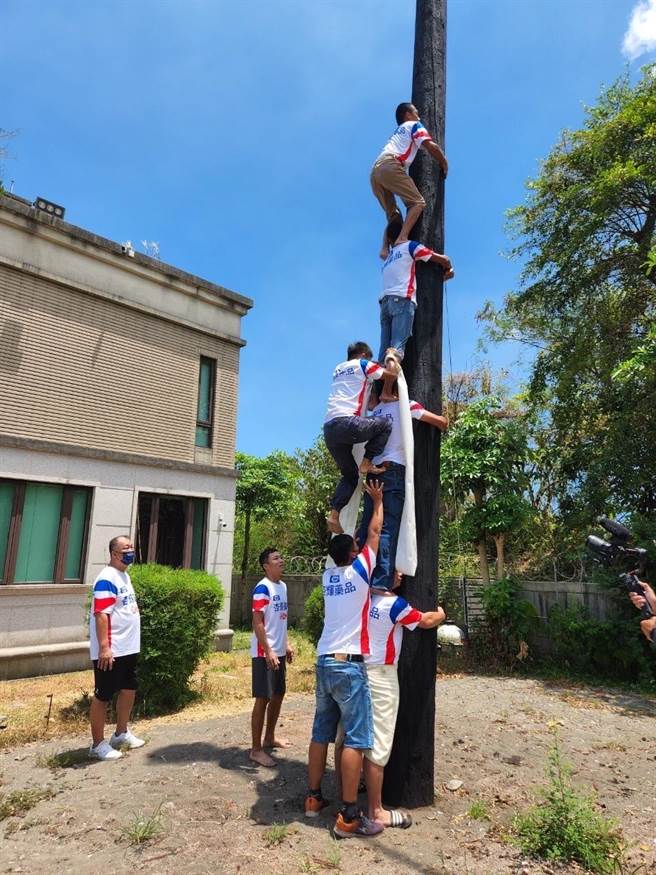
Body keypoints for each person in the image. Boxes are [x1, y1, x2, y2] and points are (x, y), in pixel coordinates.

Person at [305, 480, 385, 838]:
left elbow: (346, 540)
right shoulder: (361, 570)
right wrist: (378, 500)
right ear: (353, 554)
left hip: (323, 660)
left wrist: (341, 527)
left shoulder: (328, 575)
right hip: (349, 665)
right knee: (355, 737)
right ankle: (350, 815)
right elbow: (375, 532)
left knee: (321, 731)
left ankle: (313, 798)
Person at [338, 578, 445, 828]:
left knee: (352, 737)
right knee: (379, 744)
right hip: (382, 676)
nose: (400, 576)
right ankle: (376, 811)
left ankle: (345, 799)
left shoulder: (361, 598)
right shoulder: (394, 604)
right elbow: (424, 621)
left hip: (356, 669)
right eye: (394, 571)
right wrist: (441, 614)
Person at [357, 382, 448, 590]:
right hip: (393, 471)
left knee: (367, 525)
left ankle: (361, 578)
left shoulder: (374, 413)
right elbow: (439, 422)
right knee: (387, 527)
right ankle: (380, 583)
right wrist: (446, 420)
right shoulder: (407, 405)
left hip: (373, 471)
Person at [324, 341, 399, 534]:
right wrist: (391, 356)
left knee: (350, 476)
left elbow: (369, 403)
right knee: (385, 424)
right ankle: (366, 462)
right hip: (348, 423)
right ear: (364, 355)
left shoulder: (338, 369)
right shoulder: (363, 365)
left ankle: (334, 515)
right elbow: (391, 374)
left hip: (330, 429)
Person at [89, 535, 144, 760]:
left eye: (131, 547)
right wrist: (104, 647)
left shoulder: (124, 576)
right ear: (114, 553)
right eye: (125, 548)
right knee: (103, 694)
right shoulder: (106, 578)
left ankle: (121, 733)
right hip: (112, 649)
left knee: (129, 688)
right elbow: (101, 613)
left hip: (128, 647)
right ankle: (97, 745)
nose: (130, 551)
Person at [370, 102, 448, 258]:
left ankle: (384, 249)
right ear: (408, 114)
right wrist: (444, 162)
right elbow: (430, 146)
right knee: (417, 203)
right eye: (416, 112)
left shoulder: (397, 133)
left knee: (394, 216)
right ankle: (402, 238)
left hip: (375, 172)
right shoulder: (413, 124)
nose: (419, 116)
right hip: (390, 165)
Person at [378, 213, 454, 364]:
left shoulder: (388, 257)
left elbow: (382, 251)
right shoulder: (410, 246)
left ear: (388, 239)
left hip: (385, 304)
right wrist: (449, 268)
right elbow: (443, 259)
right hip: (401, 301)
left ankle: (382, 384)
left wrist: (387, 233)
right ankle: (389, 384)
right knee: (395, 350)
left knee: (383, 353)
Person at [249, 547, 293, 767]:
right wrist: (268, 650)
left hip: (279, 651)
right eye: (276, 558)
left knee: (278, 694)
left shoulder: (282, 587)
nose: (281, 560)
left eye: (281, 557)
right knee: (263, 699)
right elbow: (258, 622)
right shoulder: (262, 588)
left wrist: (286, 644)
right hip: (264, 653)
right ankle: (256, 750)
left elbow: (280, 620)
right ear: (266, 566)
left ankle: (270, 737)